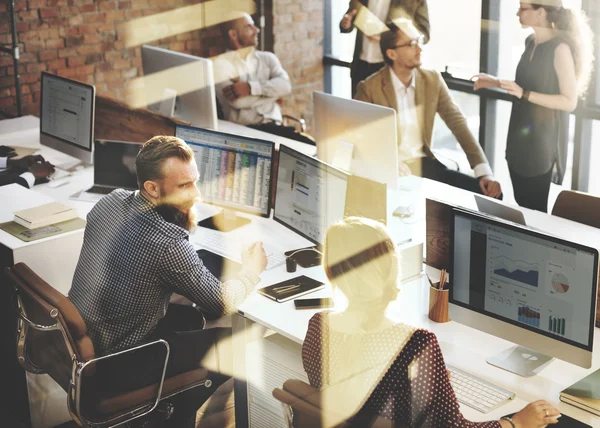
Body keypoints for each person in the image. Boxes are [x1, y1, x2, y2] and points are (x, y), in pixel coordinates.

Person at [68, 135, 268, 427]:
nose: (196, 194)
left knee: (188, 316)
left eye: (195, 181)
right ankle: (172, 413)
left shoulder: (110, 202)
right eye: (184, 186)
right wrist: (252, 270)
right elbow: (219, 304)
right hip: (120, 361)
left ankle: (169, 404)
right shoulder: (167, 244)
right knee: (239, 343)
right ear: (152, 188)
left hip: (88, 342)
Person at [302, 216, 561, 427]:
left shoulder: (317, 327)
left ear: (331, 273)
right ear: (392, 271)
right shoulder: (416, 343)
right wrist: (516, 422)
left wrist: (428, 382)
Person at [355, 22, 502, 198]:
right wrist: (387, 162)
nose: (420, 49)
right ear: (391, 53)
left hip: (424, 164)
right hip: (387, 167)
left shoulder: (432, 79)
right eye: (411, 44)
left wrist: (483, 171)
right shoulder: (370, 88)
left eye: (419, 41)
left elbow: (457, 122)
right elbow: (360, 137)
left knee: (490, 195)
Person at [472, 1, 593, 212]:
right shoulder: (531, 41)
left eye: (523, 8)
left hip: (540, 146)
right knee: (522, 206)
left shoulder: (560, 49)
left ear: (541, 13)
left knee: (535, 212)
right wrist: (495, 82)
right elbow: (525, 86)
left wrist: (524, 94)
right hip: (518, 142)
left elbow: (569, 101)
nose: (518, 12)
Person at [213, 12, 314, 145]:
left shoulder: (267, 58)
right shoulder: (220, 65)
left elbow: (286, 86)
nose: (257, 30)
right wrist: (273, 95)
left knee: (312, 147)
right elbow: (238, 103)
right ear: (233, 34)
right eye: (249, 27)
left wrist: (250, 88)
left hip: (275, 128)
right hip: (244, 132)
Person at [340, 0, 430, 97]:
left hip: (391, 68)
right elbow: (351, 14)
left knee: (386, 111)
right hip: (360, 65)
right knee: (357, 109)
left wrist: (386, 40)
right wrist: (346, 23)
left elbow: (424, 33)